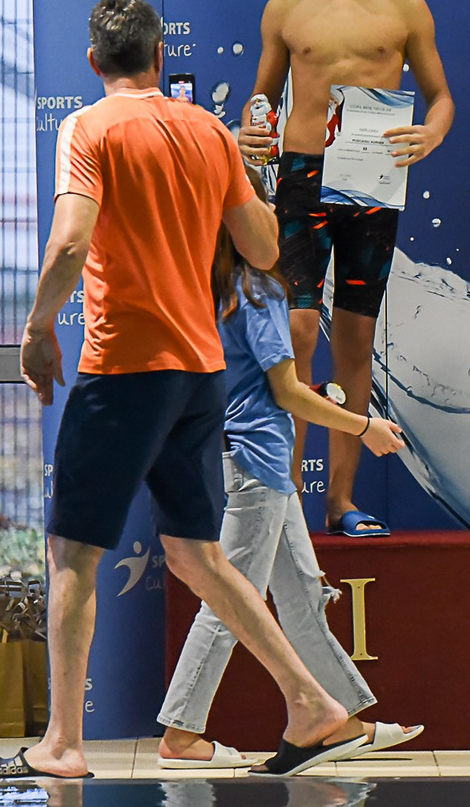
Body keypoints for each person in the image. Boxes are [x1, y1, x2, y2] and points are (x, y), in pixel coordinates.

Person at [0, 0, 366, 780]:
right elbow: (264, 248)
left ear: (94, 62)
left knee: (72, 552)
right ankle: (311, 704)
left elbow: (69, 244)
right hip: (200, 373)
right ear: (160, 58)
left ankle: (62, 744)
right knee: (198, 555)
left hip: (125, 369)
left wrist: (36, 331)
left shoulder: (88, 127)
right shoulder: (208, 132)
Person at [156, 221, 422, 768]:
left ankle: (344, 722)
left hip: (251, 459)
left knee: (301, 595)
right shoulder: (258, 291)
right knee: (233, 601)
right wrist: (362, 426)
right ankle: (181, 735)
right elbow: (288, 393)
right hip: (258, 461)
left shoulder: (208, 287)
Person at [238, 0, 454, 538]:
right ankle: (285, 508)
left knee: (356, 339)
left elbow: (442, 98)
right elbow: (262, 97)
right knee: (300, 331)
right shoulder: (285, 9)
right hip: (301, 178)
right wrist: (251, 128)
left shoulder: (406, 8)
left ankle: (339, 502)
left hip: (371, 181)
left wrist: (430, 134)